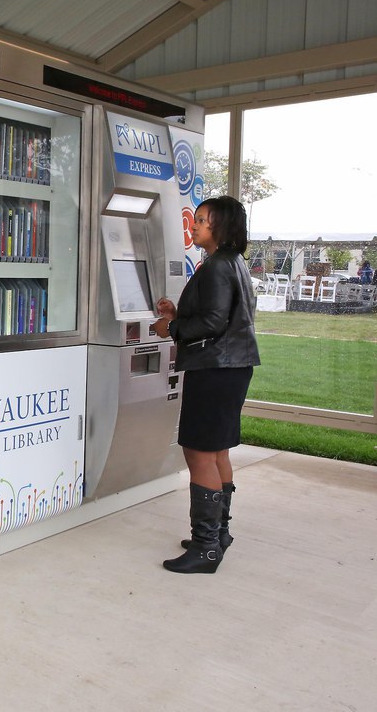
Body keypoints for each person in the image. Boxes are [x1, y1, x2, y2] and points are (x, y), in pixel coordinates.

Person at [151, 195, 260, 574]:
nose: (193, 226)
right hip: (232, 367)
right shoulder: (234, 263)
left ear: (222, 226)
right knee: (217, 453)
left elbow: (213, 324)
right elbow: (225, 317)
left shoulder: (216, 266)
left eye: (201, 220)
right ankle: (218, 535)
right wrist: (179, 314)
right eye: (194, 219)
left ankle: (206, 549)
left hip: (215, 370)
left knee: (199, 453)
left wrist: (172, 328)